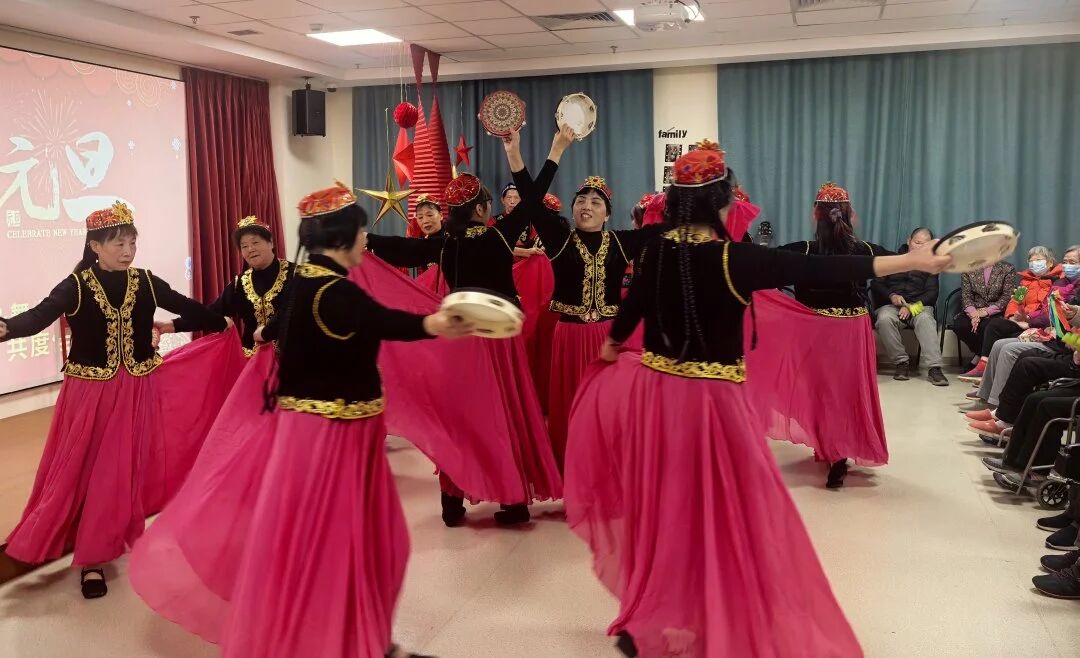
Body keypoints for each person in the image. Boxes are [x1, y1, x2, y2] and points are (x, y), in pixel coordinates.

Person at [564, 143, 952, 657]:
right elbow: (823, 270)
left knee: (667, 508)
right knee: (726, 511)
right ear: (720, 203)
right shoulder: (734, 258)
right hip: (714, 406)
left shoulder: (656, 251)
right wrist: (911, 260)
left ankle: (652, 616)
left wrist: (613, 350)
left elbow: (627, 319)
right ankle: (714, 609)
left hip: (656, 399)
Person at [217, 184, 469, 658]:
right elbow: (386, 321)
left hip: (314, 435)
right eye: (361, 233)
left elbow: (280, 330)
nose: (365, 241)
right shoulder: (334, 291)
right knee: (353, 545)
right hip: (334, 439)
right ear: (340, 238)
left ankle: (359, 639)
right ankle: (344, 643)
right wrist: (438, 323)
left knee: (344, 544)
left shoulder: (302, 284)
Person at [0, 202, 227, 598]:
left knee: (121, 470)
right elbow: (38, 316)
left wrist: (219, 320)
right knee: (86, 468)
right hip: (91, 394)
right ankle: (83, 549)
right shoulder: (76, 285)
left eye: (132, 242)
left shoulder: (146, 281)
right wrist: (7, 327)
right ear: (95, 246)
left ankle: (98, 551)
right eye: (118, 243)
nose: (128, 251)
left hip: (138, 388)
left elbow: (186, 306)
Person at [366, 165, 562, 526]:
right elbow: (533, 198)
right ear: (483, 208)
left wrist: (368, 240)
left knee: (462, 416)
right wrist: (554, 153)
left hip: (459, 338)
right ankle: (513, 501)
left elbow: (404, 250)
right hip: (498, 341)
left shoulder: (446, 243)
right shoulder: (499, 235)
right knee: (502, 414)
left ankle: (452, 500)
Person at [504, 125, 660, 472]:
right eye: (581, 201)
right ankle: (573, 469)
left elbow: (664, 230)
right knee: (572, 405)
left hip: (607, 338)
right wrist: (523, 153)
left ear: (607, 213)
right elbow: (531, 199)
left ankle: (610, 469)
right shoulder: (560, 238)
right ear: (573, 208)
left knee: (608, 409)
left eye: (596, 202)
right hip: (570, 338)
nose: (587, 206)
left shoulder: (622, 242)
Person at [761, 181, 893, 487]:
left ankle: (833, 448)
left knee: (820, 391)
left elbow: (761, 263)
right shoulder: (865, 251)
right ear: (850, 214)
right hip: (852, 331)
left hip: (815, 331)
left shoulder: (803, 251)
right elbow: (897, 262)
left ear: (815, 215)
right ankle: (836, 451)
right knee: (846, 392)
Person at [166, 215, 293, 357]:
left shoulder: (295, 275)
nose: (250, 249)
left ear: (271, 243)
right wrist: (172, 325)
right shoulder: (240, 283)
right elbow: (210, 314)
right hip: (252, 360)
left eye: (255, 242)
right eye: (244, 246)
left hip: (292, 359)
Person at [960, 245, 1061, 381]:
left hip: (1037, 324)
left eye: (1038, 260)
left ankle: (989, 370)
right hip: (1020, 320)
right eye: (1031, 261)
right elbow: (1015, 301)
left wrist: (1029, 320)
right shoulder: (1026, 281)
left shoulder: (1056, 283)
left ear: (1049, 263)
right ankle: (983, 365)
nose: (1034, 263)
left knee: (1000, 332)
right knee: (995, 325)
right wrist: (1012, 316)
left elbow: (1048, 310)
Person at [871, 227, 947, 384]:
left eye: (925, 244)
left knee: (926, 319)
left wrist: (912, 307)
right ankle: (901, 363)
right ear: (909, 241)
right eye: (917, 243)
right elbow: (876, 284)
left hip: (919, 306)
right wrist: (891, 295)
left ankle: (935, 368)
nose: (920, 247)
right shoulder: (892, 259)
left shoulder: (931, 265)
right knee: (884, 319)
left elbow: (932, 293)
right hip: (892, 306)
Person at [950, 260, 1018, 360]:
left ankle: (980, 359)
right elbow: (966, 296)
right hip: (974, 310)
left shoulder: (1007, 268)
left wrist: (986, 312)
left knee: (987, 327)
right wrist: (973, 314)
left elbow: (1007, 296)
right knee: (960, 325)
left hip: (996, 312)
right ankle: (980, 355)